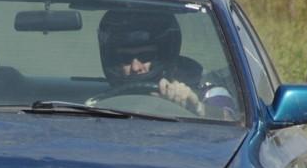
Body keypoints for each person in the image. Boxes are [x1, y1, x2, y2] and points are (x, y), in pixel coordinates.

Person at [94, 9, 236, 118]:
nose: (135, 67)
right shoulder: (93, 103)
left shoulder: (205, 89)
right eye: (125, 58)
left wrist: (198, 107)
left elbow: (233, 121)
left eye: (145, 56)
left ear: (164, 55)